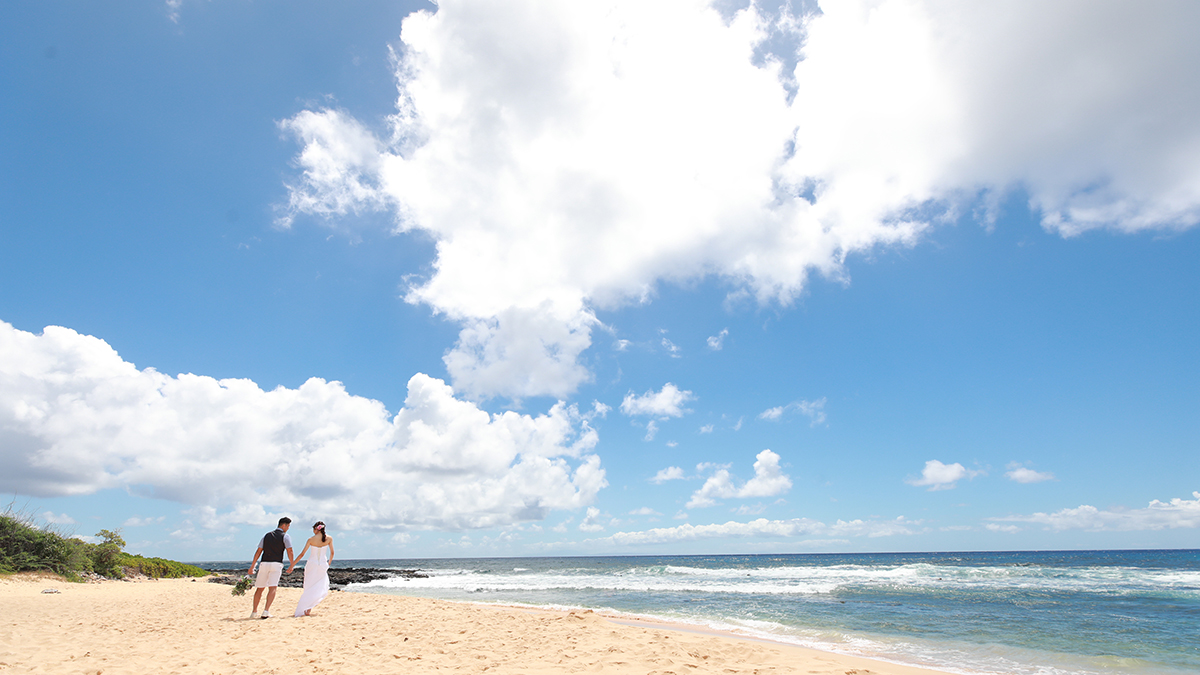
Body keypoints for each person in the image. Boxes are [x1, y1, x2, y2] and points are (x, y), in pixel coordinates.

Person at [248, 517, 295, 619]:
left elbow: (259, 551)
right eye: (288, 526)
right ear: (284, 525)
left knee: (259, 589)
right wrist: (292, 564)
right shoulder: (285, 536)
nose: (288, 528)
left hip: (264, 563)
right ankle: (266, 611)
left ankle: (254, 611)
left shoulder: (266, 536)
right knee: (272, 588)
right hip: (276, 564)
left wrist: (252, 566)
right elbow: (289, 551)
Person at [288, 521, 335, 617]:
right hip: (322, 564)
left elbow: (302, 554)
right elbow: (332, 552)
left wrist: (292, 565)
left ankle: (306, 608)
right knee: (319, 586)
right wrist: (328, 563)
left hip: (312, 564)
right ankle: (308, 609)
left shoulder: (311, 539)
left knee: (309, 586)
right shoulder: (329, 538)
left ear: (316, 529)